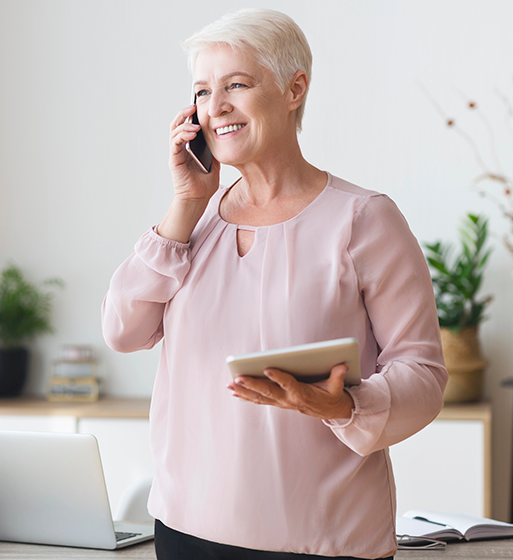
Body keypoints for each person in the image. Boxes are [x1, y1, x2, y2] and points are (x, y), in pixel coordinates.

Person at [101, 8, 447, 560]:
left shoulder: (365, 219)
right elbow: (123, 330)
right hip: (184, 530)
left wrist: (345, 406)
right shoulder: (195, 222)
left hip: (323, 541)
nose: (215, 108)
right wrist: (186, 204)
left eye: (236, 84)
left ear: (294, 89)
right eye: (203, 90)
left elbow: (424, 376)